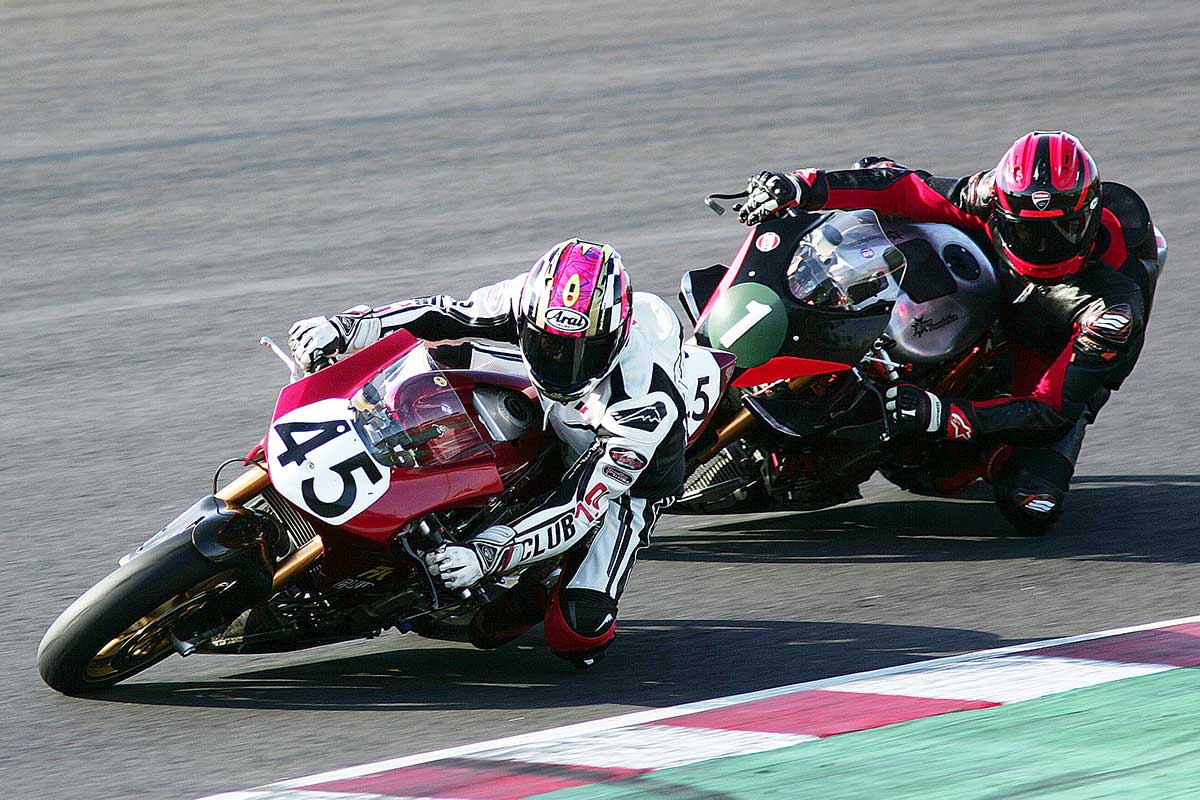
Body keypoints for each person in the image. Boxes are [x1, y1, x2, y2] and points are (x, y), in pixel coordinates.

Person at [288, 239, 690, 664]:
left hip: (621, 478)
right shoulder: (524, 300)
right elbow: (443, 312)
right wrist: (349, 327)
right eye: (548, 344)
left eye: (583, 351)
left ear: (617, 338)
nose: (562, 363)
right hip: (542, 393)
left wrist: (486, 554)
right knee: (432, 364)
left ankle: (543, 579)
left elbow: (581, 505)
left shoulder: (644, 404)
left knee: (577, 630)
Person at [736, 131, 1161, 533]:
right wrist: (801, 187)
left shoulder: (1115, 311)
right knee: (879, 180)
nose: (1041, 244)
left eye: (1059, 230)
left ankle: (993, 454)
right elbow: (905, 188)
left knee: (1030, 504)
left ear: (1087, 219)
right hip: (994, 273)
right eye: (1026, 228)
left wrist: (945, 415)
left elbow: (1050, 408)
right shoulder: (990, 194)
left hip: (1053, 339)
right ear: (1003, 207)